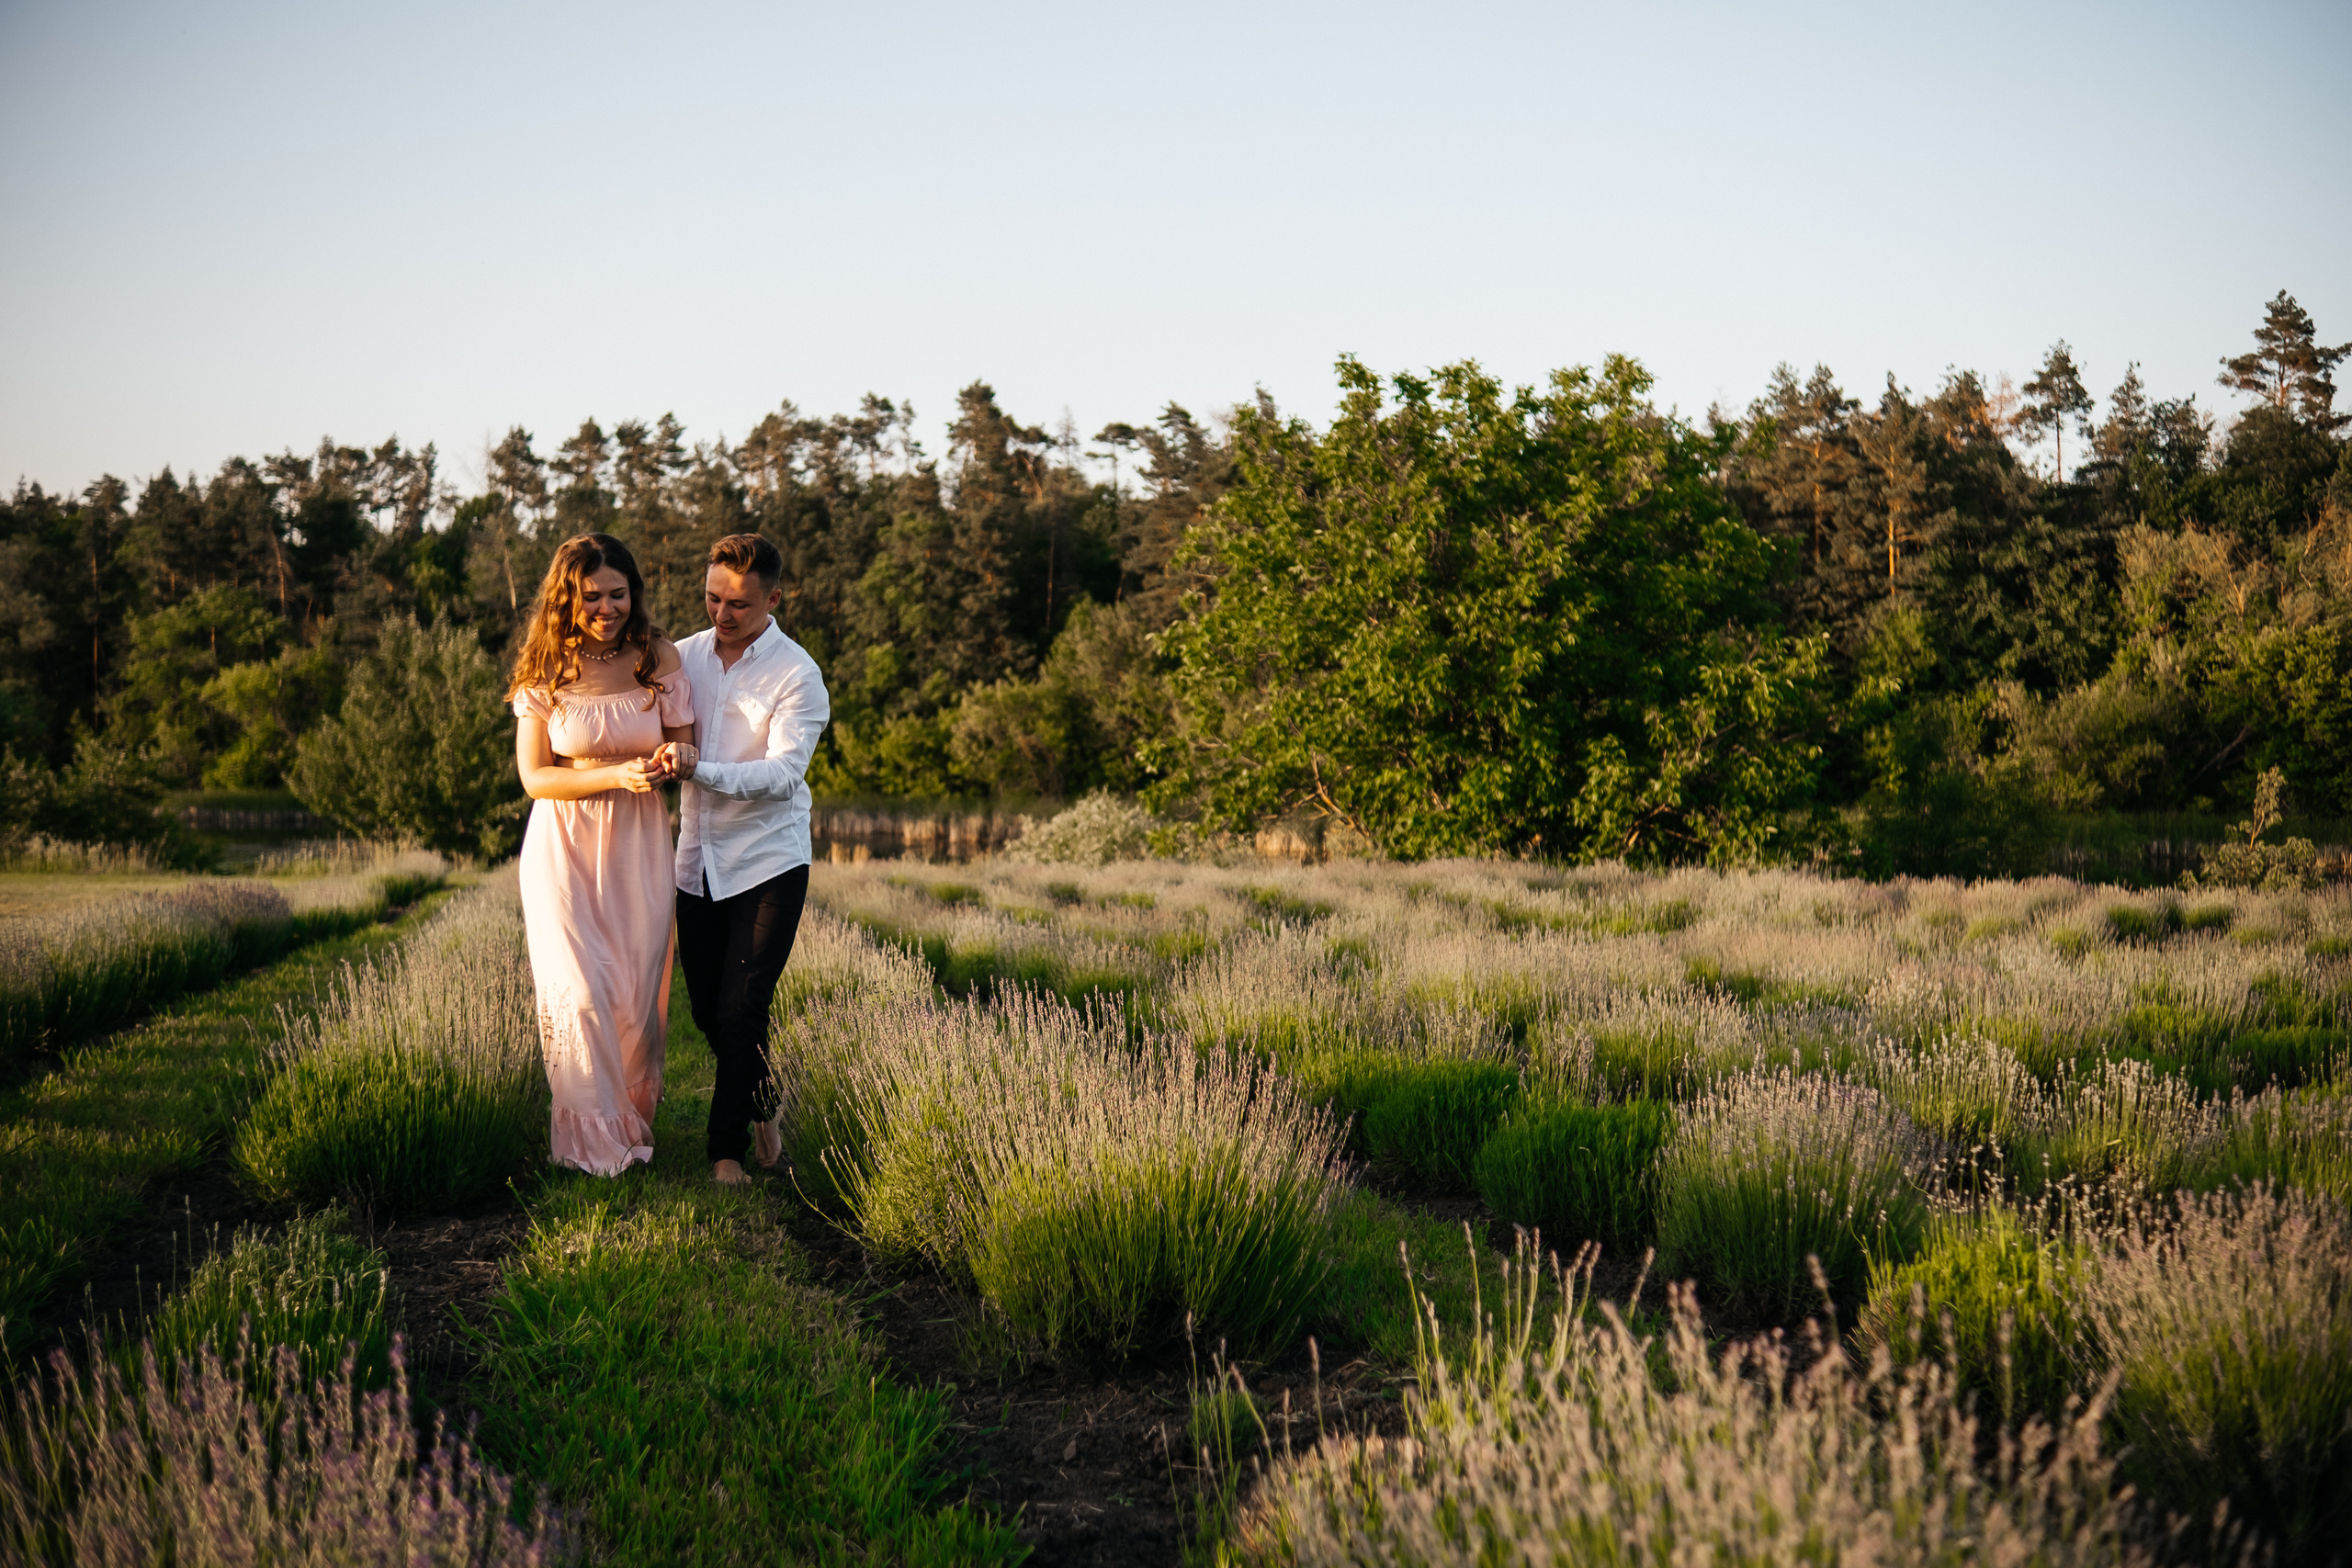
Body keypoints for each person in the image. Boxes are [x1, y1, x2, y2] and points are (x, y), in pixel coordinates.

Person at [508, 534, 695, 1176]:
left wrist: (674, 761)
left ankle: (628, 1129)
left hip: (639, 847)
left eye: (619, 593)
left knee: (634, 1002)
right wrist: (616, 775)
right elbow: (535, 777)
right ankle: (592, 1150)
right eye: (592, 596)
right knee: (581, 993)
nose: (608, 607)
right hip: (562, 847)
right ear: (568, 596)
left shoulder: (659, 656)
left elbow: (684, 747)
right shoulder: (545, 667)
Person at [654, 533, 831, 1187]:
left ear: (774, 599)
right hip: (694, 860)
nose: (721, 614)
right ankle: (764, 1100)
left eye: (738, 604)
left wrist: (703, 767)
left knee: (742, 1007)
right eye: (712, 598)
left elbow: (784, 774)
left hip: (769, 863)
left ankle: (725, 1153)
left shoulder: (797, 673)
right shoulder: (684, 658)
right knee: (707, 1010)